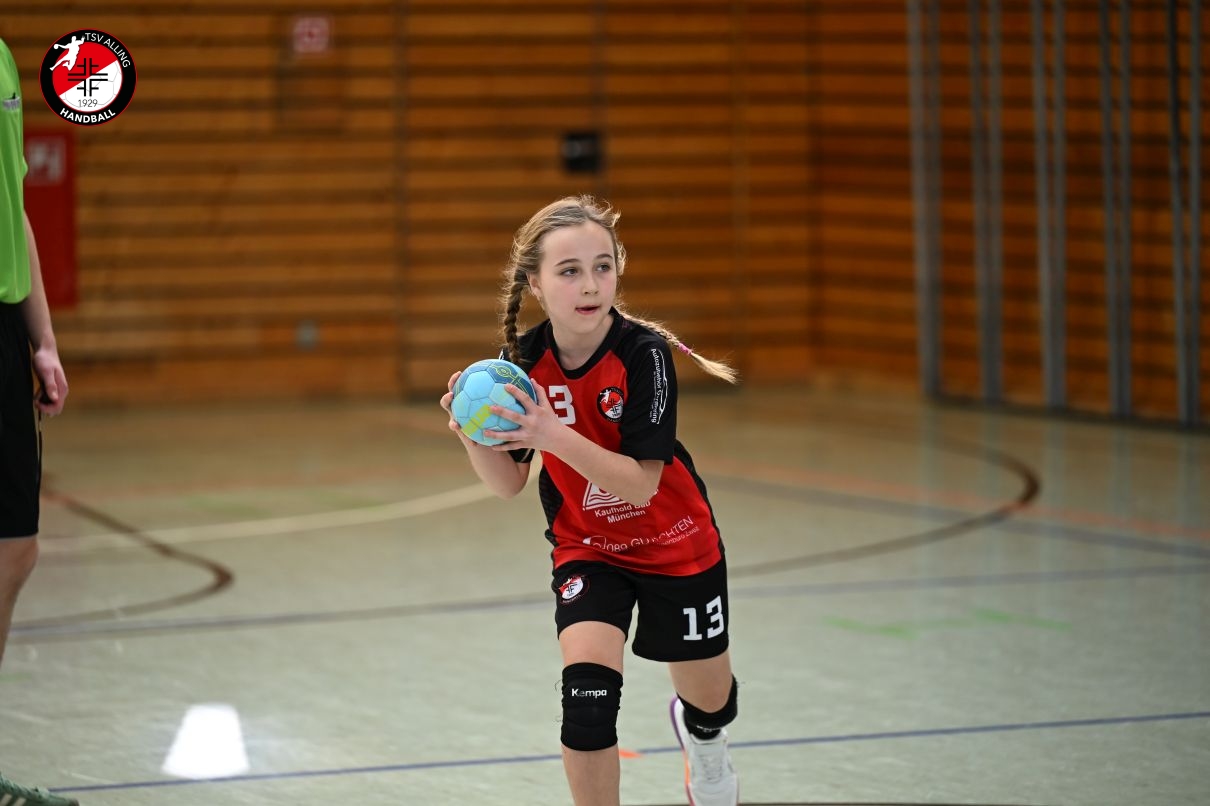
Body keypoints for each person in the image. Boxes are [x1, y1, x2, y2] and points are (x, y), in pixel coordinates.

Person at [440, 196, 740, 806]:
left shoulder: (643, 354)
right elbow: (508, 484)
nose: (590, 284)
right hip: (589, 548)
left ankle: (704, 739)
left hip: (676, 543)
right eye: (570, 270)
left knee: (710, 700)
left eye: (603, 267)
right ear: (535, 283)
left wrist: (550, 433)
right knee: (587, 706)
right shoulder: (522, 365)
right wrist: (472, 434)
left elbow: (641, 483)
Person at [0, 37, 76, 806]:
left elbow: (12, 205)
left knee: (12, 550)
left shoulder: (2, 60)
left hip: (2, 327)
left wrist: (42, 338)